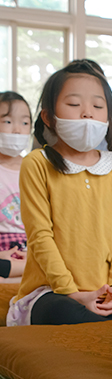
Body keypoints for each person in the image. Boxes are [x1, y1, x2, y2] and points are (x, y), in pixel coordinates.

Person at [7, 60, 112, 326]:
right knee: (60, 311)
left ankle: (98, 314)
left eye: (98, 106)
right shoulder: (37, 163)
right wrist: (72, 292)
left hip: (108, 285)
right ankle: (97, 316)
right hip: (54, 290)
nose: (87, 113)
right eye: (74, 104)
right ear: (48, 116)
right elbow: (40, 236)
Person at [0, 91, 31, 274]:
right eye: (8, 122)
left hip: (30, 245)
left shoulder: (34, 167)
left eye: (25, 123)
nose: (17, 130)